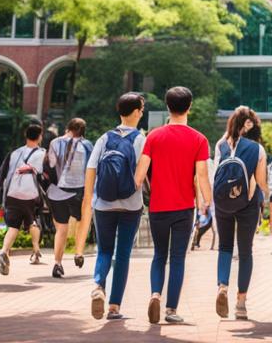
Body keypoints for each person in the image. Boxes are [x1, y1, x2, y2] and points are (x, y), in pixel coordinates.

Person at [134, 86, 212, 324]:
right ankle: (170, 310)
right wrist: (207, 201)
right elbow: (201, 176)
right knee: (178, 258)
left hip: (158, 207)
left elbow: (139, 176)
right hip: (184, 208)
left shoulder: (153, 137)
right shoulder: (199, 139)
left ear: (168, 107)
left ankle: (155, 293)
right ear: (189, 107)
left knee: (159, 255)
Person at [83, 92, 147, 320]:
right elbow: (141, 176)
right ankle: (114, 307)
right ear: (138, 112)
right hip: (130, 206)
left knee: (104, 250)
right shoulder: (140, 140)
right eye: (141, 108)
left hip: (103, 204)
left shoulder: (104, 138)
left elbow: (91, 170)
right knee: (122, 255)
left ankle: (98, 286)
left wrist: (91, 199)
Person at [212, 107, 268, 320]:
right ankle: (241, 303)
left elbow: (216, 174)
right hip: (247, 203)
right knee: (245, 252)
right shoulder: (257, 149)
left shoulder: (220, 145)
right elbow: (261, 182)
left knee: (225, 247)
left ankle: (222, 286)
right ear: (250, 124)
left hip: (223, 202)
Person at [0, 123, 47, 275]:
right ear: (39, 137)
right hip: (30, 194)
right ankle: (36, 249)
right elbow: (44, 174)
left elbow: (3, 173)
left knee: (13, 226)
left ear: (26, 136)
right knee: (33, 221)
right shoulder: (42, 153)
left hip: (13, 193)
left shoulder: (15, 153)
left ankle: (4, 250)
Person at [46, 117, 92, 278]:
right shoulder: (87, 145)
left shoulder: (55, 142)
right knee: (83, 220)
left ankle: (57, 263)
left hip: (58, 192)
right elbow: (91, 170)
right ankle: (78, 253)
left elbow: (50, 165)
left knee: (61, 228)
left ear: (68, 127)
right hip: (79, 191)